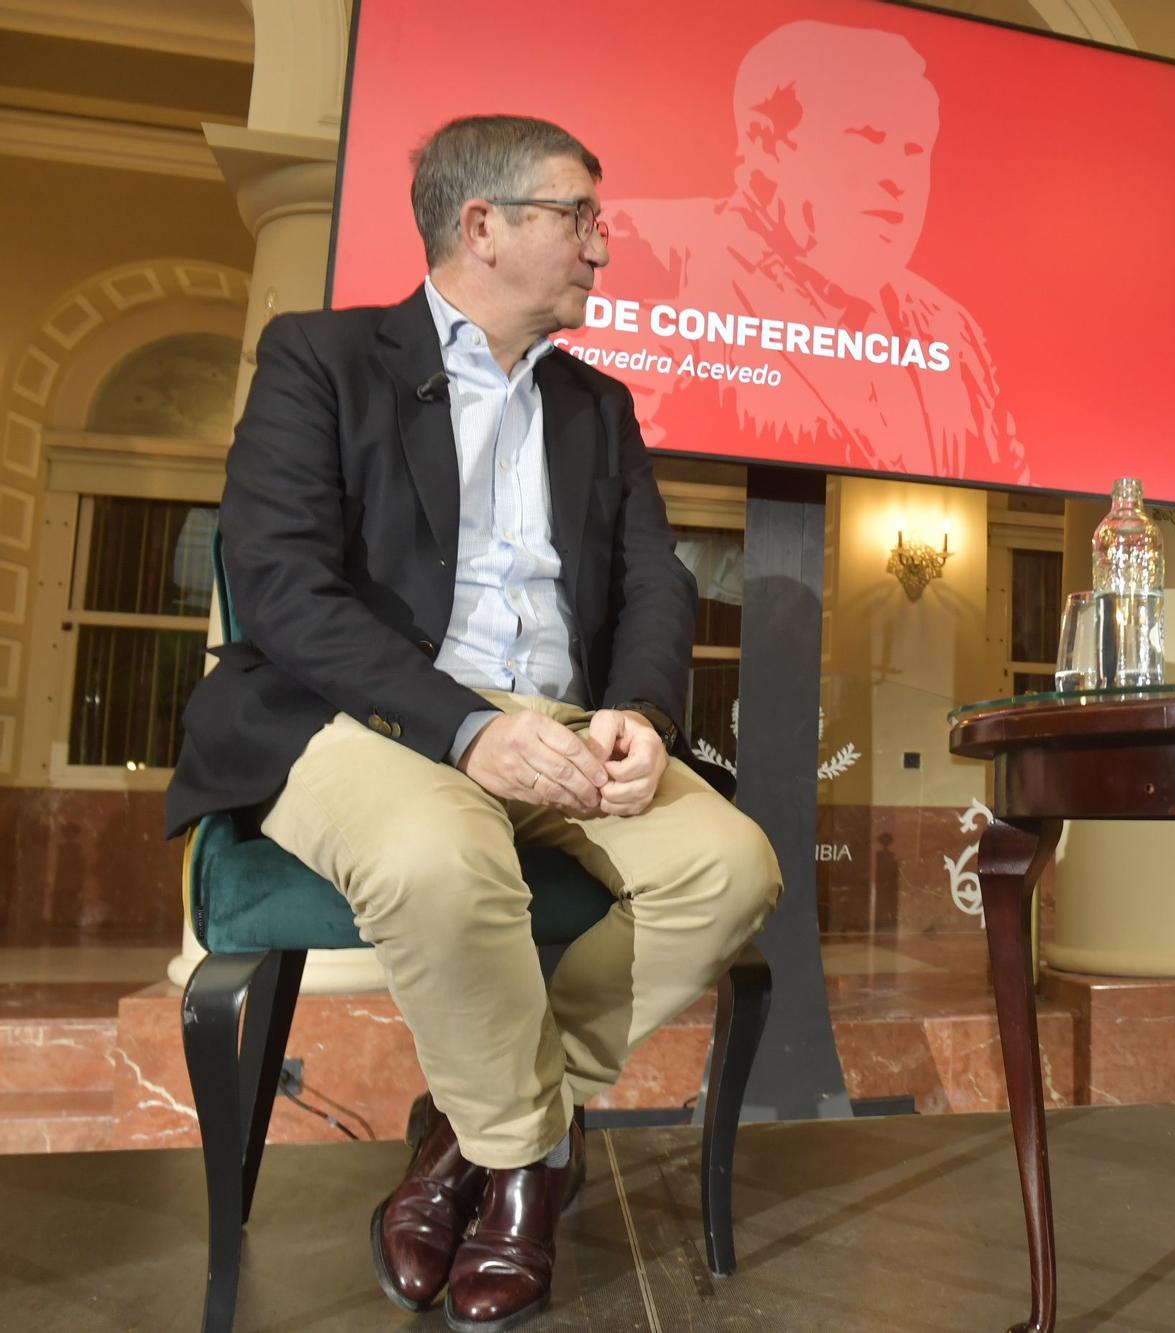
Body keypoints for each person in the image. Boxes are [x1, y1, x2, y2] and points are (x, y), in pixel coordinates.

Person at [165, 114, 782, 1332]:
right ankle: (530, 1170)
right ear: (482, 226)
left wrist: (641, 714)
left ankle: (462, 1134)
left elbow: (654, 578)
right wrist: (462, 728)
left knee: (729, 868)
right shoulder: (320, 356)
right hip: (369, 716)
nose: (604, 247)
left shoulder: (598, 407)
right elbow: (282, 586)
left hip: (564, 718)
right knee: (438, 860)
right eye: (579, 216)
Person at [600, 19, 1029, 485]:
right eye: (868, 139)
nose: (897, 177)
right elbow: (600, 471)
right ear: (766, 142)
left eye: (914, 149)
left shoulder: (953, 332)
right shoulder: (648, 251)